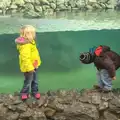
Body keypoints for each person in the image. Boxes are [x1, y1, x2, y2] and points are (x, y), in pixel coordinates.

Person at [15, 25, 41, 100]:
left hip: (34, 65)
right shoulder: (25, 45)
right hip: (28, 68)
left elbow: (34, 53)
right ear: (28, 35)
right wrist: (30, 68)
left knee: (35, 80)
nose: (34, 35)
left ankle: (35, 91)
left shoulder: (31, 42)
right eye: (33, 33)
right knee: (28, 81)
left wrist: (37, 63)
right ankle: (24, 93)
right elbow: (25, 58)